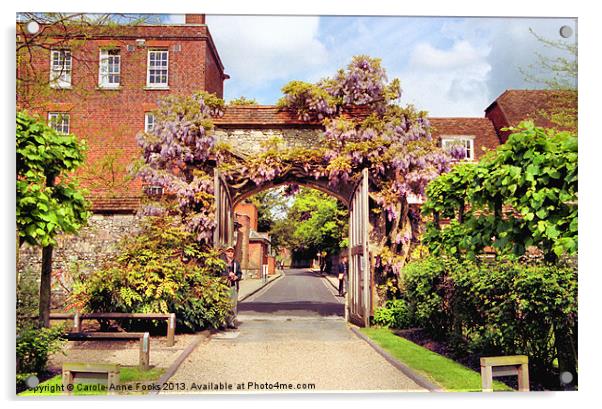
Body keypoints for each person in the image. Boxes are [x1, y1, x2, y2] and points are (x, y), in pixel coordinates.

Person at [222, 246, 242, 329]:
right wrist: (228, 275)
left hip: (233, 286)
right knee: (224, 304)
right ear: (226, 253)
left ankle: (231, 322)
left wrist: (237, 277)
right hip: (224, 286)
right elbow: (220, 273)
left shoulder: (236, 263)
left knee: (233, 305)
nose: (230, 253)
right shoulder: (222, 263)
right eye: (228, 251)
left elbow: (240, 273)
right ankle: (223, 322)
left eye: (232, 252)